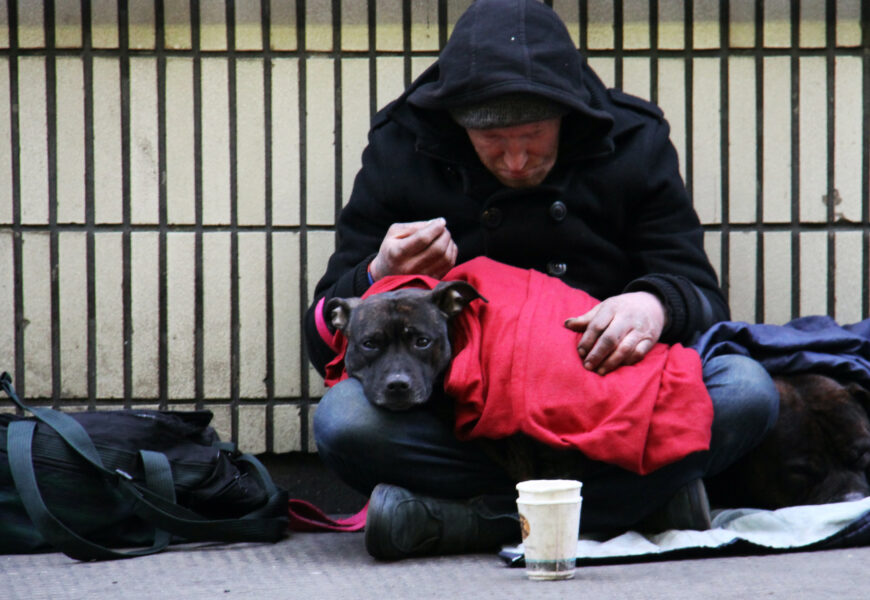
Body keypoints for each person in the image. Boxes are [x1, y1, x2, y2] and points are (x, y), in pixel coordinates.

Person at [304, 0, 779, 560]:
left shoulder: (633, 138)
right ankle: (634, 504)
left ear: (566, 113)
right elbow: (325, 338)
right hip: (465, 417)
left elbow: (699, 294)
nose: (516, 160)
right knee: (344, 422)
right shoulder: (402, 144)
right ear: (458, 125)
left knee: (747, 389)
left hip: (603, 398)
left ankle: (463, 522)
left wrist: (652, 305)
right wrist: (380, 271)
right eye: (492, 143)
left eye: (533, 135)